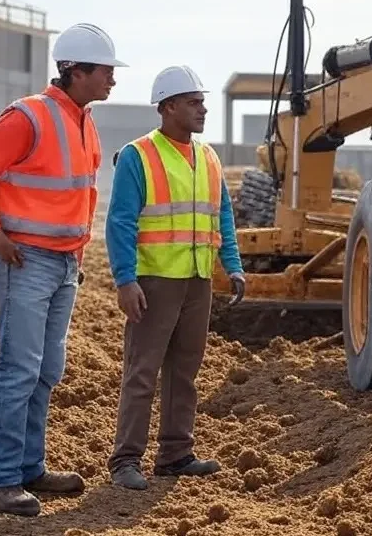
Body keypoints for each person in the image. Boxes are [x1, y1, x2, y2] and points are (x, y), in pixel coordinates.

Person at [0, 22, 127, 517]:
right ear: (76, 71)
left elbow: (80, 195)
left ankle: (29, 468)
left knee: (46, 371)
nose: (113, 79)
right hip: (25, 262)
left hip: (63, 264)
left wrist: (77, 255)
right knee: (18, 371)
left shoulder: (83, 120)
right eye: (106, 71)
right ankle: (0, 481)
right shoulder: (29, 116)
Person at [104, 64, 246, 490]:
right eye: (193, 102)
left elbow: (222, 215)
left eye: (202, 101)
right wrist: (125, 280)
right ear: (167, 107)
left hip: (197, 280)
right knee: (143, 372)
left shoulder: (209, 157)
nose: (203, 109)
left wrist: (233, 265)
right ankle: (126, 460)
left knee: (185, 372)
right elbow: (120, 221)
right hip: (154, 281)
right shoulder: (139, 155)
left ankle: (175, 455)